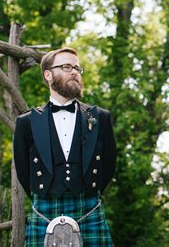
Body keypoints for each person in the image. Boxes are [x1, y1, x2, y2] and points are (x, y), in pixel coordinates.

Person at [13, 47, 117, 246]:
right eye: (67, 66)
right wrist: (44, 194)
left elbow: (109, 164)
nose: (75, 72)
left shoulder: (99, 118)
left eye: (77, 68)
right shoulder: (26, 122)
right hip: (44, 208)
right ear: (48, 74)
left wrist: (89, 190)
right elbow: (24, 171)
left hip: (89, 208)